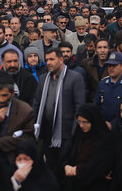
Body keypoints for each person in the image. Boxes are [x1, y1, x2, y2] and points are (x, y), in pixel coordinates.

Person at [32, 47, 85, 175]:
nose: (48, 63)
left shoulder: (75, 78)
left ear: (61, 60)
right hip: (47, 131)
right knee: (49, 168)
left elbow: (79, 106)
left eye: (52, 59)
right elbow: (37, 104)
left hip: (65, 133)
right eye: (47, 60)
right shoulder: (44, 79)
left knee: (63, 169)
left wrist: (73, 131)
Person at [0, 71, 35, 163]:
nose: (1, 99)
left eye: (4, 95)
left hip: (14, 159)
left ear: (12, 93)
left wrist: (1, 143)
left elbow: (29, 139)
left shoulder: (25, 110)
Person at [63, 104, 114, 191]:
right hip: (74, 185)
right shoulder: (79, 134)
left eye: (85, 122)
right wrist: (66, 166)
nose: (81, 125)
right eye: (79, 122)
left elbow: (99, 164)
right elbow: (68, 153)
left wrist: (79, 171)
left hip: (94, 186)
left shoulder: (103, 139)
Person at [94, 51, 122, 123]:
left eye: (114, 65)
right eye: (109, 65)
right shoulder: (102, 83)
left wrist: (113, 124)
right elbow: (97, 106)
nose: (111, 68)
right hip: (103, 125)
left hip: (121, 126)